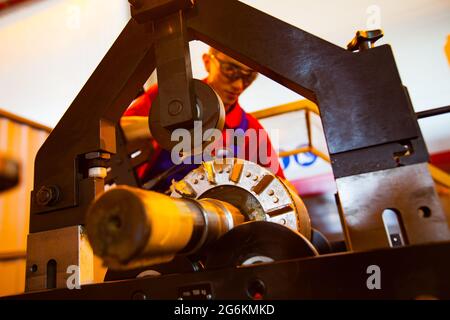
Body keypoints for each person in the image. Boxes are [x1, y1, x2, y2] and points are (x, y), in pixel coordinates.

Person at [121, 48, 285, 191]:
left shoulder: (250, 128)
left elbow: (281, 185)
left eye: (248, 77)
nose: (238, 85)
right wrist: (164, 126)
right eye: (230, 70)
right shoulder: (167, 99)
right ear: (208, 62)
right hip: (156, 207)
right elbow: (112, 132)